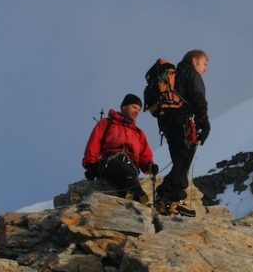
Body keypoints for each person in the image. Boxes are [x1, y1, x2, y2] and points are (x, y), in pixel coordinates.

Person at [154, 49, 210, 216]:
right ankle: (166, 196)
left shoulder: (176, 75)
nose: (205, 68)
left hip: (167, 123)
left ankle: (173, 198)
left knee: (179, 160)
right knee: (183, 162)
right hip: (181, 121)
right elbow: (198, 97)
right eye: (204, 64)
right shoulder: (192, 75)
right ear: (194, 61)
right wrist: (204, 123)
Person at [82, 94, 157, 204]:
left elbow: (145, 155)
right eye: (134, 107)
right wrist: (91, 165)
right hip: (109, 162)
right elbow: (94, 143)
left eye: (139, 110)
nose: (136, 111)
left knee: (128, 171)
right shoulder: (107, 123)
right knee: (121, 168)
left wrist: (149, 166)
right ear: (123, 107)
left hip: (131, 165)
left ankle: (129, 196)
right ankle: (140, 196)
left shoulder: (138, 133)